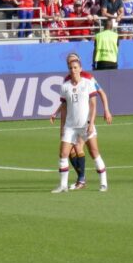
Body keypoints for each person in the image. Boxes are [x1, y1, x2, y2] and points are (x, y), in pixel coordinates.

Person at [49, 53, 109, 193]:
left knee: (94, 152)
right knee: (63, 153)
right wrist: (62, 126)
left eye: (75, 67)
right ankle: (63, 185)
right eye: (70, 67)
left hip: (85, 125)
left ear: (80, 67)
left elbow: (93, 104)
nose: (73, 69)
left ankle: (103, 183)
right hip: (70, 126)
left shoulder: (88, 82)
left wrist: (92, 123)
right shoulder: (65, 86)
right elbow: (64, 107)